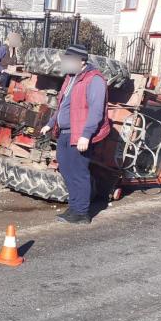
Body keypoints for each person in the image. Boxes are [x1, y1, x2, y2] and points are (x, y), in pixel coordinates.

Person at [41, 44, 109, 225]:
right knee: (66, 170)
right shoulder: (70, 78)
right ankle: (74, 207)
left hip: (79, 135)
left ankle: (82, 213)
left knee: (79, 173)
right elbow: (62, 106)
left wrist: (86, 135)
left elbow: (96, 110)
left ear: (82, 61)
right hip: (64, 133)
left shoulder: (95, 80)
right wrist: (50, 124)